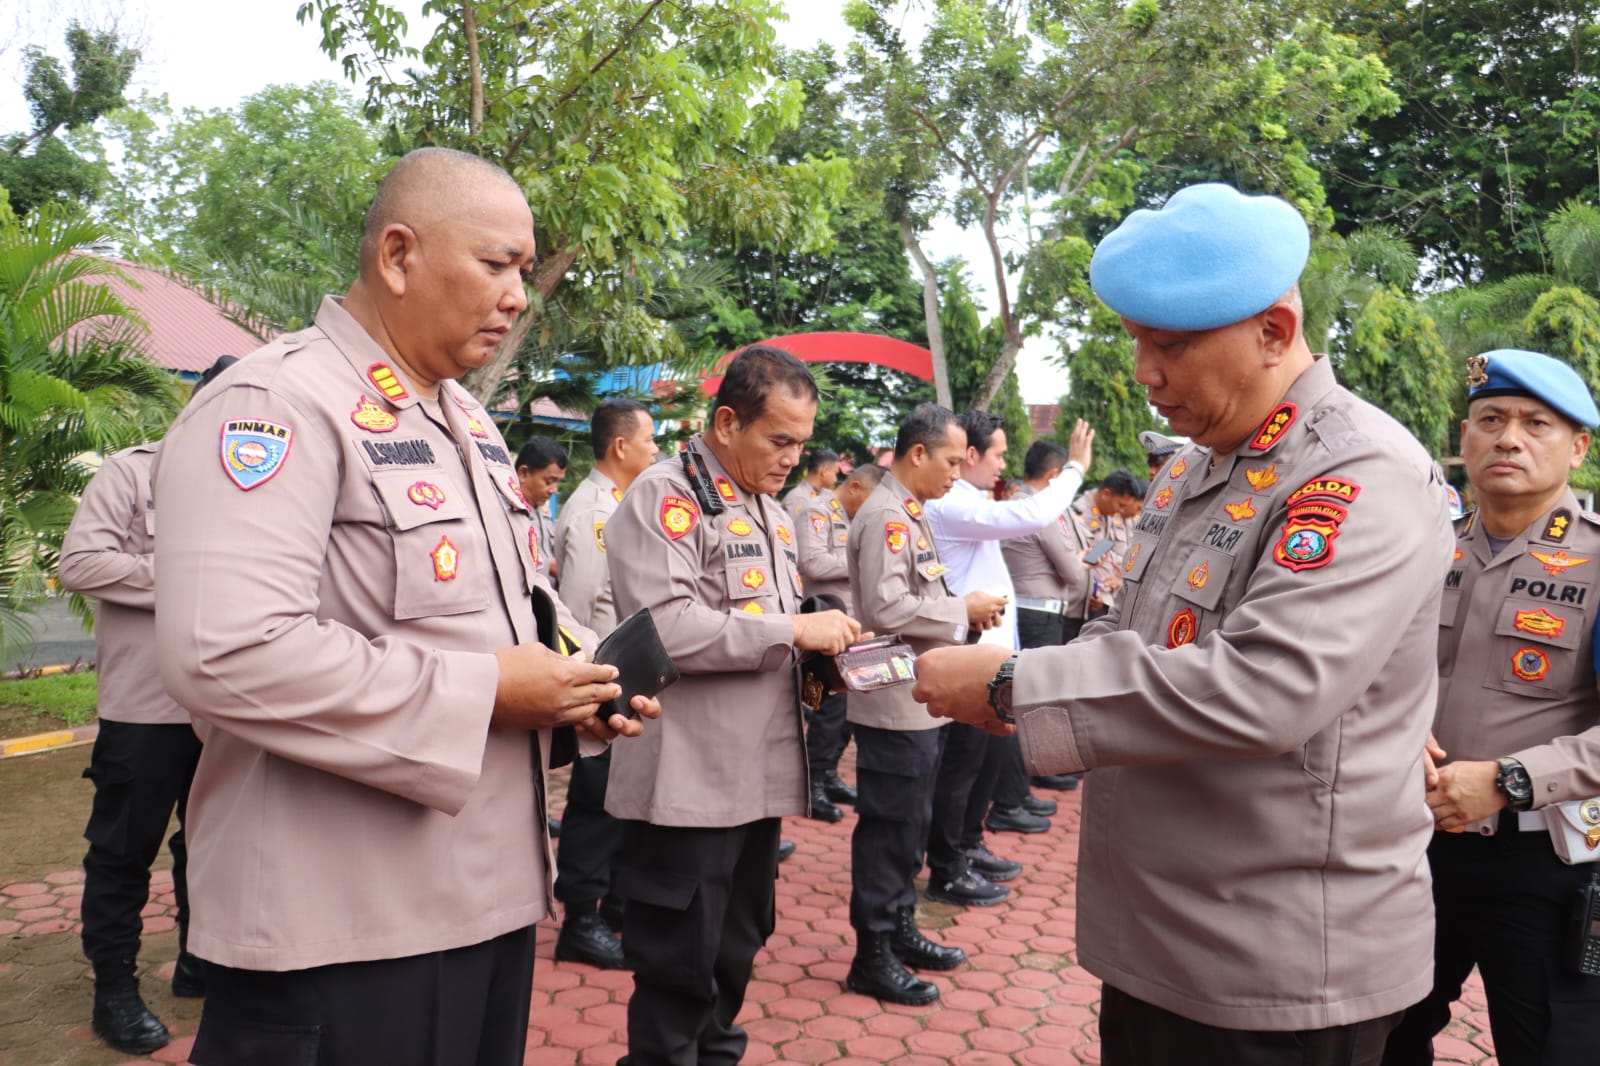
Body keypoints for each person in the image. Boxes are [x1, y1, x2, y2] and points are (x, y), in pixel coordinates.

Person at [912, 182, 1455, 1065]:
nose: (1144, 373)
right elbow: (1124, 627)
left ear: (1274, 332)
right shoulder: (1194, 469)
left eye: (1170, 345)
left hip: (1276, 963)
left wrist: (1018, 684)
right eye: (1136, 341)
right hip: (1167, 934)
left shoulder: (1361, 472)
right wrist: (1008, 694)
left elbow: (1265, 687)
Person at [152, 147, 658, 1066]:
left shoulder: (463, 419)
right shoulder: (275, 402)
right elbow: (222, 652)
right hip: (344, 927)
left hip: (486, 899)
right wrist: (487, 693)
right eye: (498, 264)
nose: (518, 295)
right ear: (397, 256)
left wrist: (575, 685)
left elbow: (497, 618)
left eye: (523, 271)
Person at [604, 345, 860, 1066]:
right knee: (676, 970)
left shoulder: (770, 512)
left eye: (802, 444)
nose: (792, 458)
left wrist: (822, 646)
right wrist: (792, 629)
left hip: (753, 781)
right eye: (778, 440)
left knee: (735, 954)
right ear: (725, 422)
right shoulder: (666, 496)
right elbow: (667, 628)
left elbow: (768, 632)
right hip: (688, 784)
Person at [1382, 349, 1600, 1066]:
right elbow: (1360, 676)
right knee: (1376, 1039)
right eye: (1491, 419)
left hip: (1540, 867)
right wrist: (1393, 734)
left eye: (1537, 423)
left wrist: (1508, 780)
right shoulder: (1416, 550)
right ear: (1465, 438)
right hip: (1401, 848)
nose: (1509, 438)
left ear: (1578, 447)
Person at [58, 354, 238, 1055]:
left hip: (228, 706)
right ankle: (115, 991)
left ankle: (202, 959)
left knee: (216, 842)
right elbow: (82, 563)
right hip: (147, 707)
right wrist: (189, 577)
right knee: (122, 852)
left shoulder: (253, 488)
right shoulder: (131, 473)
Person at [845, 402, 1008, 1005]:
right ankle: (873, 952)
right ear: (917, 453)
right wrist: (958, 611)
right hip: (891, 701)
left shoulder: (909, 512)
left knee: (910, 824)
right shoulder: (888, 514)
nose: (956, 472)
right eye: (949, 459)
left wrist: (958, 614)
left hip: (916, 696)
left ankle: (900, 926)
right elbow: (886, 610)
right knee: (890, 829)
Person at [921, 411, 1094, 905]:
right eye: (996, 453)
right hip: (969, 657)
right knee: (962, 766)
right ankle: (948, 865)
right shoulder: (952, 502)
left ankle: (969, 845)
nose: (1002, 464)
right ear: (970, 455)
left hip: (994, 654)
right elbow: (1030, 515)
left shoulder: (971, 499)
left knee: (986, 762)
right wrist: (1076, 470)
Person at [544, 399, 660, 970]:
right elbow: (581, 610)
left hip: (624, 681)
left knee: (617, 805)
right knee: (593, 807)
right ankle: (580, 922)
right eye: (650, 441)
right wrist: (595, 689)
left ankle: (612, 905)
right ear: (620, 446)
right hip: (602, 680)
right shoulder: (595, 511)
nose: (656, 450)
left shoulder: (618, 505)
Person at [996, 438, 1095, 796]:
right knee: (1028, 702)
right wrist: (1083, 564)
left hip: (1022, 611)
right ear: (1054, 475)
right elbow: (1071, 571)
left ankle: (1020, 786)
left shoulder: (1016, 504)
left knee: (1019, 700)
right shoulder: (1040, 510)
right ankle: (1014, 794)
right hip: (1038, 615)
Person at [795, 461, 886, 822]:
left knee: (847, 713)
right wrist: (866, 562)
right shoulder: (816, 512)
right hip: (824, 630)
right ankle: (812, 782)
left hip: (854, 629)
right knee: (825, 712)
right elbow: (813, 563)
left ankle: (829, 773)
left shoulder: (854, 520)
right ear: (856, 487)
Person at [516, 435, 568, 581]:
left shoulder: (542, 509)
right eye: (549, 481)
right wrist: (548, 567)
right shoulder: (507, 511)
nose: (554, 490)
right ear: (523, 473)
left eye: (558, 482)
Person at [781, 447, 840, 519]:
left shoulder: (816, 495)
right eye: (835, 473)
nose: (835, 479)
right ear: (824, 471)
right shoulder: (800, 498)